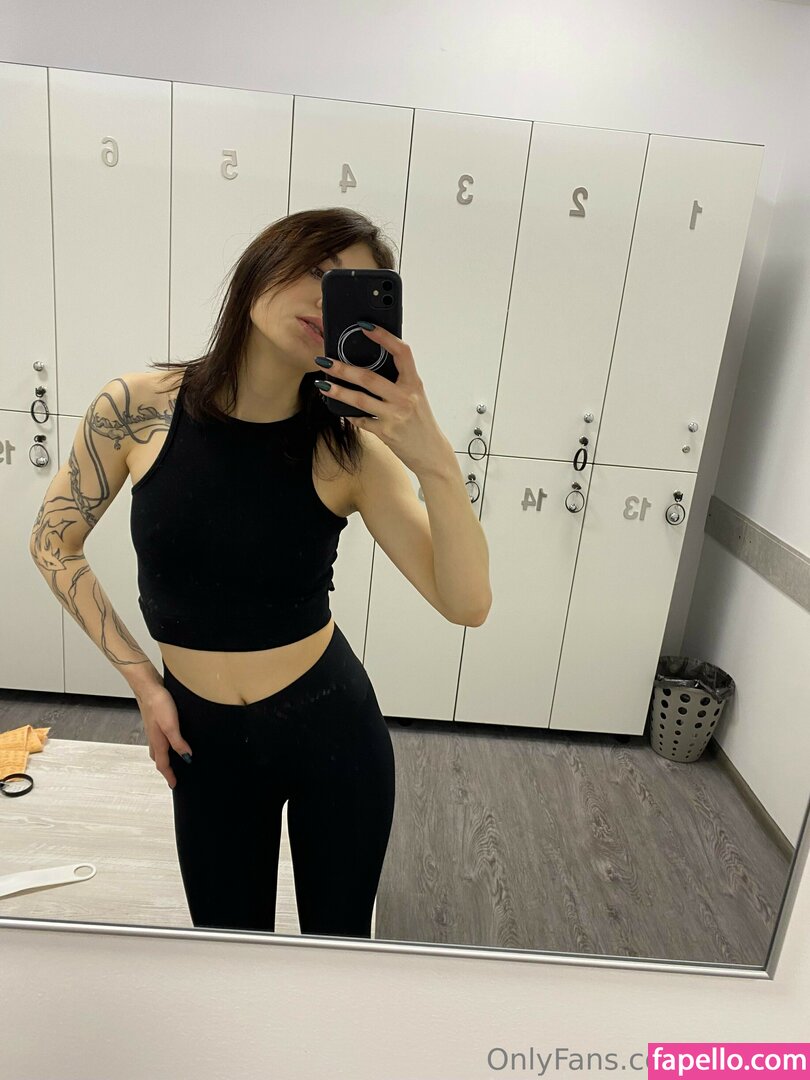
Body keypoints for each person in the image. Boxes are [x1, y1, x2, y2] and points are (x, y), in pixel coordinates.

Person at [29, 206, 492, 939]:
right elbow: (54, 543)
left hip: (332, 733)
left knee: (337, 952)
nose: (324, 299)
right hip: (201, 740)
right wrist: (144, 683)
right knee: (228, 953)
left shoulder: (350, 452)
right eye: (316, 270)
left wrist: (434, 457)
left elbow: (466, 603)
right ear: (258, 270)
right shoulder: (137, 408)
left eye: (348, 289)